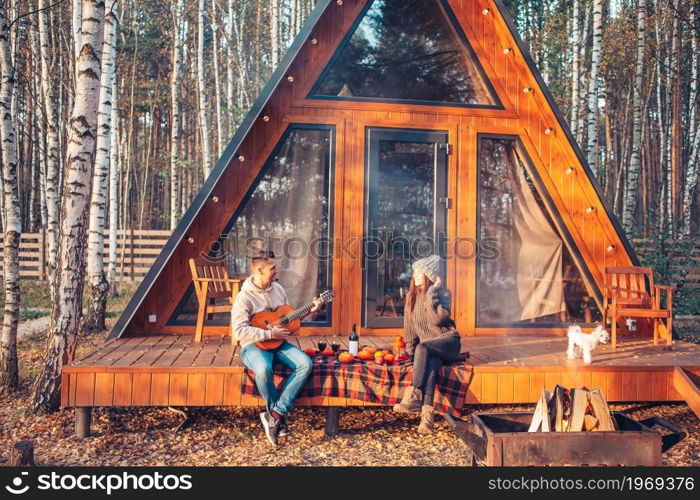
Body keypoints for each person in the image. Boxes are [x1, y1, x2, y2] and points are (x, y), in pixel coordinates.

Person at [231, 250, 322, 446]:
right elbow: (238, 331)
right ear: (259, 270)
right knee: (264, 369)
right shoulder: (244, 297)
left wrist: (310, 311)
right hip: (253, 345)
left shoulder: (278, 289)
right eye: (272, 268)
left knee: (305, 364)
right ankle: (276, 420)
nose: (276, 270)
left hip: (278, 342)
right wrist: (268, 334)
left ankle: (275, 413)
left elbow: (288, 319)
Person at [392, 255, 461, 434]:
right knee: (431, 366)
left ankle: (414, 393)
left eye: (419, 272)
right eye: (414, 271)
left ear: (429, 275)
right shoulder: (411, 298)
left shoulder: (442, 294)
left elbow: (438, 320)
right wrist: (410, 352)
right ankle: (426, 419)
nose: (415, 275)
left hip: (449, 342)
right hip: (430, 349)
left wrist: (432, 293)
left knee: (423, 348)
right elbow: (410, 329)